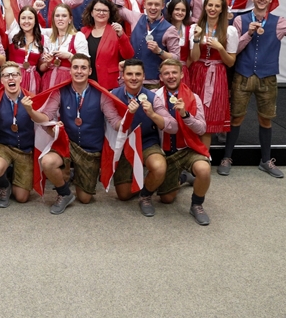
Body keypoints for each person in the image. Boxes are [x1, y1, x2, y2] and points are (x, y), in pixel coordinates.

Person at [220, 0, 286, 178]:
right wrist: (248, 34)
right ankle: (227, 157)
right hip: (243, 75)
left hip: (267, 78)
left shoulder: (280, 22)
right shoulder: (240, 20)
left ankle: (266, 160)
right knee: (236, 118)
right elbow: (234, 50)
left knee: (265, 119)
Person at [38, 54, 122, 212]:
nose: (79, 71)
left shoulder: (101, 94)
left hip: (90, 149)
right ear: (70, 70)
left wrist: (128, 119)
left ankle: (72, 175)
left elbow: (115, 121)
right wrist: (31, 112)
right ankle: (64, 193)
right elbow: (46, 117)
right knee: (47, 162)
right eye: (75, 67)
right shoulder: (60, 91)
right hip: (67, 144)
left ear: (90, 71)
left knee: (85, 198)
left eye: (83, 68)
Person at [0, 61, 55, 208]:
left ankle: (12, 174)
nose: (11, 78)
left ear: (20, 77)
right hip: (3, 146)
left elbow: (44, 122)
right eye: (6, 76)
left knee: (21, 197)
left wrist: (52, 128)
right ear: (2, 80)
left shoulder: (32, 99)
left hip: (25, 150)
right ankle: (5, 185)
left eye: (14, 74)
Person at [154, 59, 212, 226]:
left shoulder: (194, 98)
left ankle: (197, 205)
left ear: (181, 74)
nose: (171, 76)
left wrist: (186, 115)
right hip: (166, 151)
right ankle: (183, 178)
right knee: (166, 199)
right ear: (161, 77)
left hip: (187, 148)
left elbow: (201, 129)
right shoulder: (155, 97)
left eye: (174, 72)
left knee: (204, 170)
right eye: (166, 73)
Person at [107, 59, 168, 216]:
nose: (134, 78)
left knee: (159, 167)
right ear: (123, 76)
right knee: (123, 195)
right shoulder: (113, 95)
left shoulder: (153, 97)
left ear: (144, 76)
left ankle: (146, 196)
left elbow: (171, 125)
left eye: (138, 74)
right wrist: (129, 115)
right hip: (124, 144)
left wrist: (153, 114)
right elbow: (116, 126)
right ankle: (151, 181)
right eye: (129, 74)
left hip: (147, 141)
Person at [188, 0, 237, 149]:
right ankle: (191, 157)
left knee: (208, 118)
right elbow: (194, 57)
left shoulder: (229, 31)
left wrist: (220, 48)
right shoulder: (195, 28)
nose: (213, 9)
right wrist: (196, 40)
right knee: (193, 114)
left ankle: (204, 157)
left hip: (217, 74)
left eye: (217, 6)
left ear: (222, 9)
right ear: (205, 7)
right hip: (197, 72)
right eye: (210, 5)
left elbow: (230, 62)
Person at [115, 0, 180, 87]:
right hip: (130, 79)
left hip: (151, 82)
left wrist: (159, 51)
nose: (153, 7)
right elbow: (115, 6)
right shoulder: (136, 17)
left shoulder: (170, 29)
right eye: (149, 4)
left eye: (157, 4)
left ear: (162, 6)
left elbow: (176, 58)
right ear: (144, 5)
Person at [78, 0, 134, 90]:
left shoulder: (116, 31)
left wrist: (122, 36)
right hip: (86, 80)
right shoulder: (84, 31)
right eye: (98, 10)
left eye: (105, 11)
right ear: (92, 13)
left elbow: (128, 55)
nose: (101, 13)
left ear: (110, 13)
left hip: (108, 82)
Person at [39, 3, 88, 90]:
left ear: (70, 19)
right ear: (53, 19)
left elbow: (85, 63)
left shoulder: (78, 36)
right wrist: (48, 63)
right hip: (48, 80)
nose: (60, 19)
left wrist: (69, 56)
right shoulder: (49, 37)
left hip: (67, 81)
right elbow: (33, 28)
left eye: (64, 16)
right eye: (57, 16)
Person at [165, 0, 194, 86]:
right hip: (165, 70)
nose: (180, 13)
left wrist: (182, 68)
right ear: (171, 10)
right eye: (177, 9)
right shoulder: (163, 28)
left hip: (182, 71)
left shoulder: (190, 30)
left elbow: (191, 57)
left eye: (183, 10)